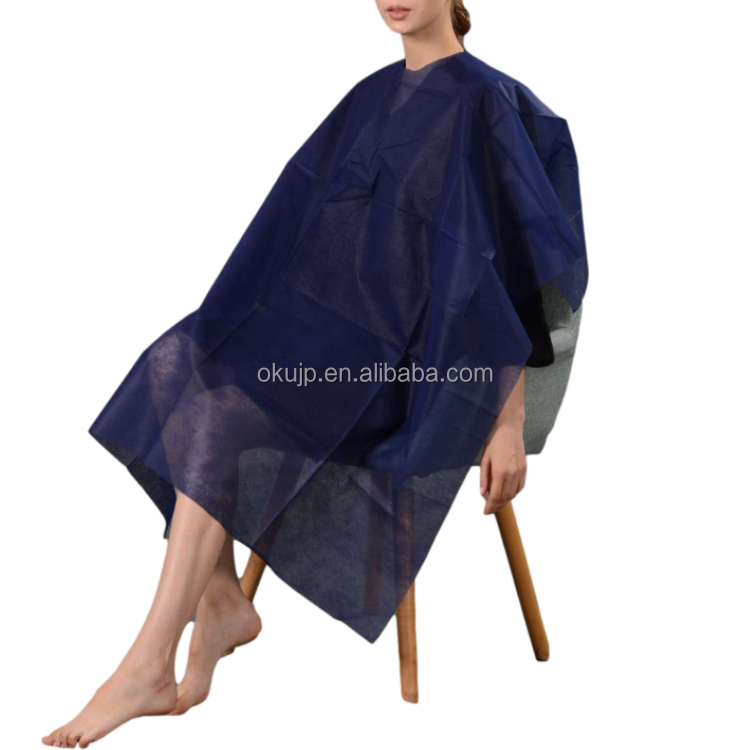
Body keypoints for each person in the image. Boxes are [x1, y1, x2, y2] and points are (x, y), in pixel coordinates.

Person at [43, 0, 588, 746]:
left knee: (219, 404)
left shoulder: (485, 101)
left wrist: (507, 422)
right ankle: (218, 602)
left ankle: (148, 664)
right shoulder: (371, 95)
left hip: (411, 373)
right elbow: (301, 235)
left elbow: (515, 279)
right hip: (332, 352)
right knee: (180, 365)